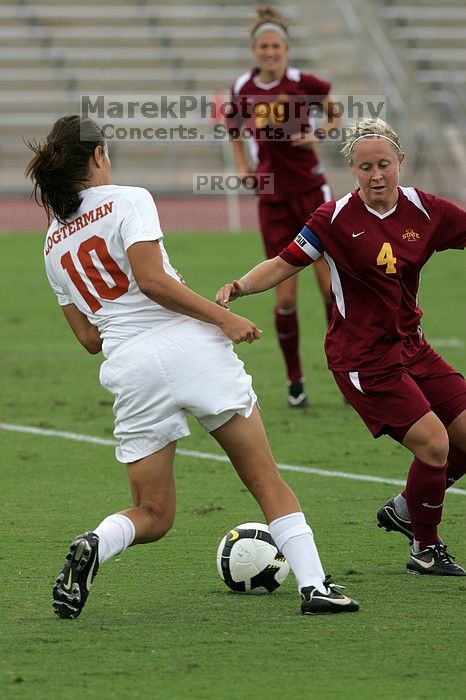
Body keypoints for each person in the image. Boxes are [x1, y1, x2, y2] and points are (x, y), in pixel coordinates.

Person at [25, 114, 359, 619]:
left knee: (153, 514)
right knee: (264, 477)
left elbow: (88, 339)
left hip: (131, 367)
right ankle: (314, 585)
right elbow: (154, 282)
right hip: (190, 348)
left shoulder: (51, 245)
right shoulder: (129, 199)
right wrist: (224, 319)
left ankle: (96, 541)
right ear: (97, 156)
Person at [216, 117, 466, 577]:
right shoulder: (333, 219)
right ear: (352, 168)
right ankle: (425, 549)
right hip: (363, 360)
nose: (376, 176)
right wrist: (240, 287)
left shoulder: (426, 210)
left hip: (413, 347)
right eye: (366, 166)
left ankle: (407, 508)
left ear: (401, 163)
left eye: (384, 165)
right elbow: (284, 262)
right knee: (434, 445)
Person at [224, 6, 342, 408]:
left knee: (331, 291)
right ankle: (296, 384)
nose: (270, 52)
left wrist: (321, 133)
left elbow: (334, 112)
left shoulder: (303, 83)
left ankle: (346, 373)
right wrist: (243, 165)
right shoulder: (243, 87)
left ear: (286, 49)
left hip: (312, 194)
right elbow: (234, 129)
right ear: (255, 50)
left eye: (276, 45)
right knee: (285, 298)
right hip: (272, 199)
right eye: (263, 46)